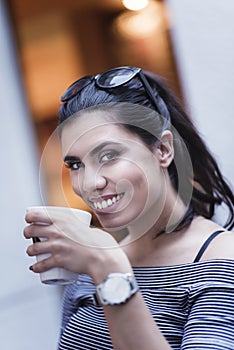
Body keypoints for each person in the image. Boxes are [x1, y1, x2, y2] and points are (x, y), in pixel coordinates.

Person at [24, 66, 234, 350]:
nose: (90, 183)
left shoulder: (220, 261)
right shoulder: (92, 262)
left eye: (109, 155)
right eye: (76, 165)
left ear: (162, 150)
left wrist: (110, 271)